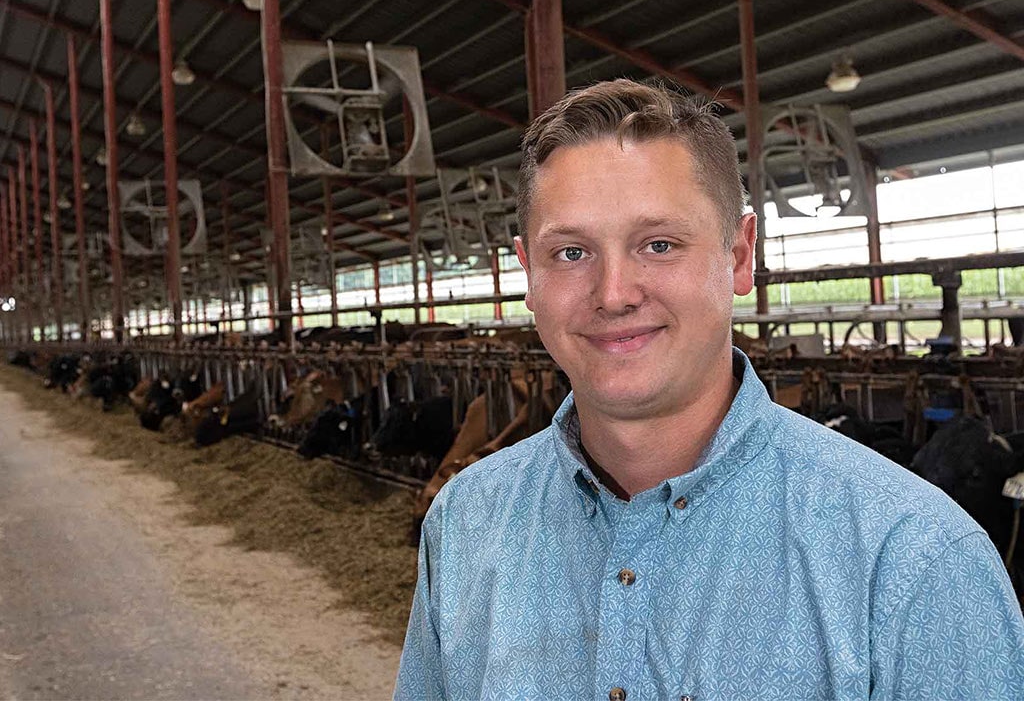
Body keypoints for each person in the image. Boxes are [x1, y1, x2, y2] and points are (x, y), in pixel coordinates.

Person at [394, 79, 1024, 700]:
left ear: (740, 255)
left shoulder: (915, 559)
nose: (614, 294)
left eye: (659, 244)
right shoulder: (466, 523)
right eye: (570, 253)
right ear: (527, 276)